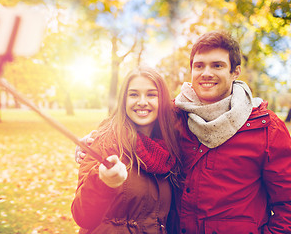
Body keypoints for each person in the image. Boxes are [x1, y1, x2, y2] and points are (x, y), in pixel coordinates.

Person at [75, 31, 291, 234]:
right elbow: (135, 115)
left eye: (217, 65)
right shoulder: (176, 117)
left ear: (235, 71)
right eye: (199, 66)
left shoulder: (265, 127)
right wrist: (92, 142)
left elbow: (287, 206)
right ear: (192, 71)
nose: (207, 73)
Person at [71, 66, 182, 233]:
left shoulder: (170, 146)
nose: (142, 102)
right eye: (134, 94)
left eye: (151, 94)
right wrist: (102, 182)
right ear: (124, 100)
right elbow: (82, 216)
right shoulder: (106, 141)